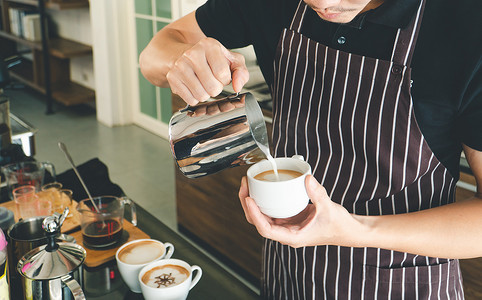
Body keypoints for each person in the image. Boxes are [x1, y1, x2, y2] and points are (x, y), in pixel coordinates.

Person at [139, 0, 482, 298]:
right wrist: (180, 59)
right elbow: (154, 52)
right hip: (289, 272)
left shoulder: (466, 26)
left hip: (402, 284)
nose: (324, 4)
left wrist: (357, 231)